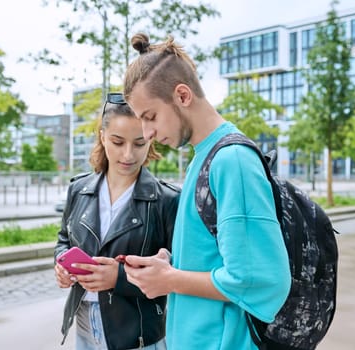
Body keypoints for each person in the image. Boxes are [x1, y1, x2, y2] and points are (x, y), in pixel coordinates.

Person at [122, 33, 291, 350]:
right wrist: (172, 263)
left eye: (151, 117)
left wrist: (169, 280)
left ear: (182, 96)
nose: (148, 133)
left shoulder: (232, 161)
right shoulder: (204, 156)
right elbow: (220, 257)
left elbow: (261, 279)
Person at [54, 92, 180, 350]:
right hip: (84, 327)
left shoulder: (167, 200)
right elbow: (64, 239)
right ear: (102, 137)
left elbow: (179, 272)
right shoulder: (78, 189)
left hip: (139, 337)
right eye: (117, 141)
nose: (128, 154)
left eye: (139, 143)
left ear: (150, 140)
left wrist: (119, 278)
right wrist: (61, 264)